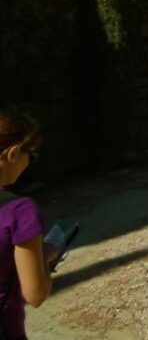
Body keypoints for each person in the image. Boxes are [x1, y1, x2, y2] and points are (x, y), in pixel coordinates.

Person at [0, 111, 57, 339]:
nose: (29, 163)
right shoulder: (19, 211)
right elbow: (35, 295)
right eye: (31, 155)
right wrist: (46, 256)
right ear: (14, 153)